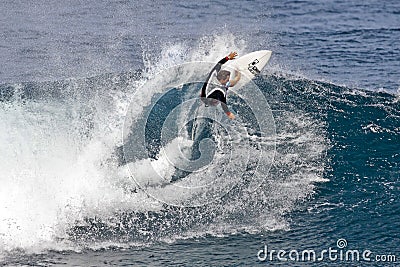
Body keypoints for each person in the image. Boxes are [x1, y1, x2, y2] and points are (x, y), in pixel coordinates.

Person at [200, 52, 241, 119]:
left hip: (202, 96)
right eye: (227, 80)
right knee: (231, 84)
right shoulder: (221, 90)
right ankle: (239, 74)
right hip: (211, 102)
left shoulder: (213, 74)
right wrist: (229, 114)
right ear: (222, 80)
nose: (227, 80)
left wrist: (228, 57)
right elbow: (223, 104)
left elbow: (219, 64)